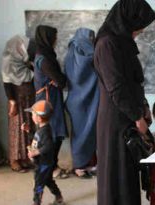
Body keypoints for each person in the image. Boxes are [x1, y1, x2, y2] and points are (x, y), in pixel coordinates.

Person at [93, 0, 155, 204]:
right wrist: (137, 117)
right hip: (116, 121)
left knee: (128, 173)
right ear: (128, 19)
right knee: (116, 174)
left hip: (128, 115)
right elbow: (117, 88)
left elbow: (134, 82)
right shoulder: (107, 44)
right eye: (140, 25)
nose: (142, 30)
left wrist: (144, 107)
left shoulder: (124, 43)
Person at [34, 25, 68, 179]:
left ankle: (52, 164)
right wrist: (59, 80)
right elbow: (61, 81)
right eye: (53, 37)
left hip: (51, 97)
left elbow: (59, 80)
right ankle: (51, 167)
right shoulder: (45, 59)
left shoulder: (45, 54)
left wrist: (58, 80)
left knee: (55, 132)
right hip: (48, 100)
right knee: (53, 133)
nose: (56, 40)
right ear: (47, 38)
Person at [64, 27, 98, 178]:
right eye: (90, 37)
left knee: (90, 132)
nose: (91, 40)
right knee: (80, 134)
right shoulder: (79, 49)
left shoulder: (74, 51)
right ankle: (79, 165)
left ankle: (89, 163)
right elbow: (79, 75)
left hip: (86, 101)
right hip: (80, 102)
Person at [1, 35, 36, 172]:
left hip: (29, 96)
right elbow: (6, 81)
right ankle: (15, 160)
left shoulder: (24, 60)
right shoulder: (8, 60)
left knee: (28, 126)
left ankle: (26, 158)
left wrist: (30, 66)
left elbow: (33, 73)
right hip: (16, 98)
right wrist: (12, 101)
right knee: (17, 128)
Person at [22, 100, 64, 205]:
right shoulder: (41, 129)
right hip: (42, 164)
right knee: (48, 181)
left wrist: (36, 152)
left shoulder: (45, 132)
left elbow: (49, 146)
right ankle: (59, 197)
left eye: (32, 114)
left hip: (44, 164)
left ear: (39, 118)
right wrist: (29, 131)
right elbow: (37, 140)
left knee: (38, 184)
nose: (31, 116)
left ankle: (37, 202)